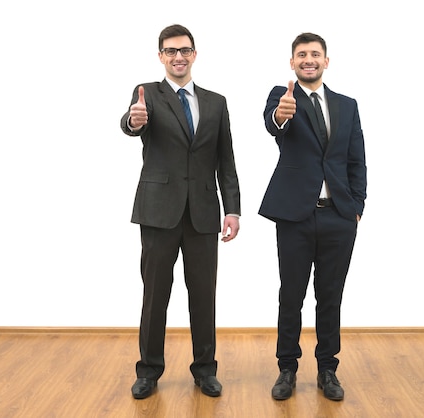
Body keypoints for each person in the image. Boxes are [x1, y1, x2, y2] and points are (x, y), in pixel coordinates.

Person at [119, 24, 241, 399]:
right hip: (159, 212)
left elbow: (225, 159)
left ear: (194, 54)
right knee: (156, 294)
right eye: (170, 51)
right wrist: (132, 121)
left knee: (204, 295)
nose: (178, 56)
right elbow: (131, 123)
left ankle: (205, 370)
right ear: (161, 56)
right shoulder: (148, 96)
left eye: (184, 50)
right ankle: (149, 371)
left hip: (204, 212)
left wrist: (232, 209)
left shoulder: (216, 102)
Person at [259, 32, 367, 401]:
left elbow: (356, 160)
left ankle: (327, 370)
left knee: (330, 296)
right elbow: (275, 123)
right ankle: (287, 369)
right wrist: (280, 115)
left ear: (326, 61)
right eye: (301, 54)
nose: (309, 59)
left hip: (338, 216)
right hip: (295, 217)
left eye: (315, 54)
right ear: (292, 62)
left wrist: (357, 207)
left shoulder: (347, 105)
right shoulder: (282, 96)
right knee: (291, 295)